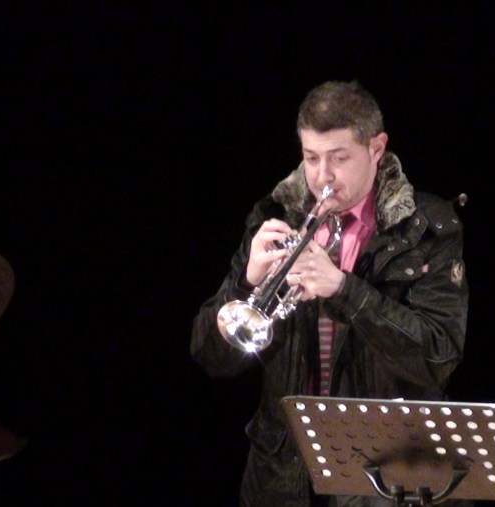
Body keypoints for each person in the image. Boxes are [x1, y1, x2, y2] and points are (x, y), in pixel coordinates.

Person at [191, 80, 471, 507]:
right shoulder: (274, 217)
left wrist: (344, 289)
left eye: (339, 158)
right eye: (311, 157)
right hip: (284, 478)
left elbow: (439, 356)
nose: (322, 176)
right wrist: (246, 284)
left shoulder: (427, 228)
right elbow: (212, 357)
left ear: (376, 149)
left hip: (385, 478)